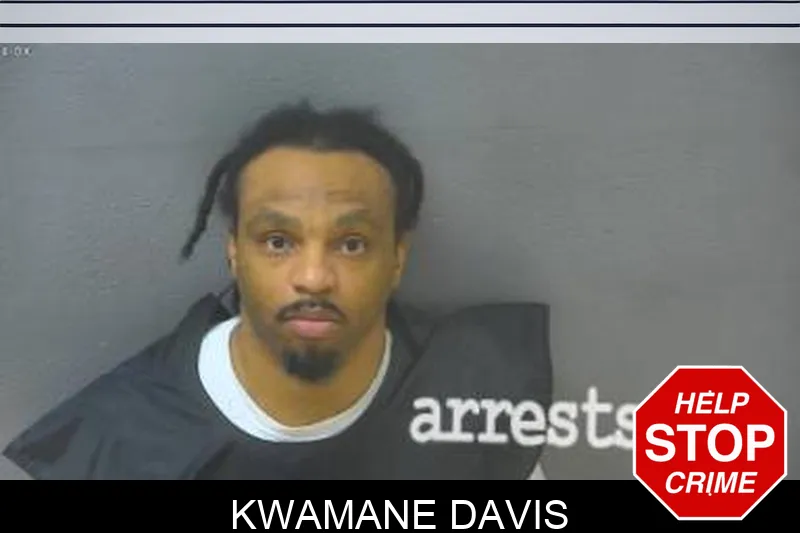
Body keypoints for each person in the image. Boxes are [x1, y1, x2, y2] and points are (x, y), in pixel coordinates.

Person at [3, 101, 552, 479]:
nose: (313, 276)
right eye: (278, 241)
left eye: (352, 243)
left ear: (397, 259)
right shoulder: (116, 442)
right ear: (234, 252)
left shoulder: (474, 387)